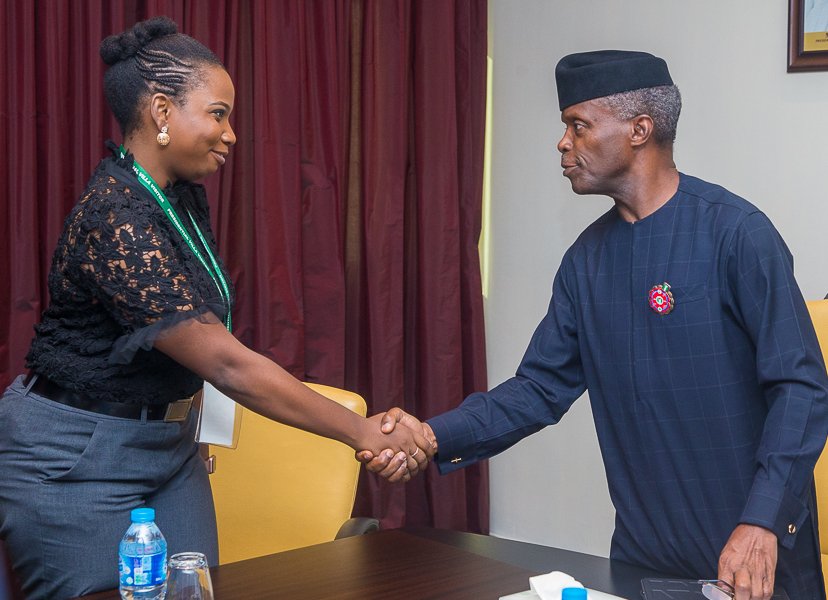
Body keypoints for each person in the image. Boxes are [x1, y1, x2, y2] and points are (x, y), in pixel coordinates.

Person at [362, 50, 828, 599]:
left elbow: (801, 387)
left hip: (754, 556)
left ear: (639, 130)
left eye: (578, 125)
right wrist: (432, 436)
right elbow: (538, 389)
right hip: (643, 561)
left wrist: (762, 521)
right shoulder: (586, 262)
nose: (563, 143)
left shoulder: (737, 234)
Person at [0, 17, 431, 600]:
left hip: (169, 450)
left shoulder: (177, 199)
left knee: (195, 592)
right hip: (76, 459)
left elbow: (192, 336)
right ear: (161, 111)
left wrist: (190, 423)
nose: (230, 134)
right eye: (218, 114)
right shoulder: (114, 216)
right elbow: (225, 361)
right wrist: (362, 432)